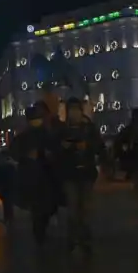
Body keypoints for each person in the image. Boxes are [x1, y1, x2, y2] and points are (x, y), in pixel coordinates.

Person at [57, 97, 102, 256]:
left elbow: (99, 147)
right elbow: (54, 150)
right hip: (70, 174)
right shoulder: (62, 130)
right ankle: (73, 238)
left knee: (85, 208)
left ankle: (85, 238)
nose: (74, 113)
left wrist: (87, 146)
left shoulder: (89, 129)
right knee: (73, 207)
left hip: (86, 173)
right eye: (71, 110)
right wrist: (64, 147)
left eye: (77, 110)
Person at [13, 102, 61, 244]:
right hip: (33, 177)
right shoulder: (24, 136)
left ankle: (41, 230)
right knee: (38, 208)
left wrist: (48, 155)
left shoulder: (46, 134)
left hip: (45, 175)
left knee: (45, 206)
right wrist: (26, 156)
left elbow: (55, 150)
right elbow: (16, 151)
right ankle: (39, 233)